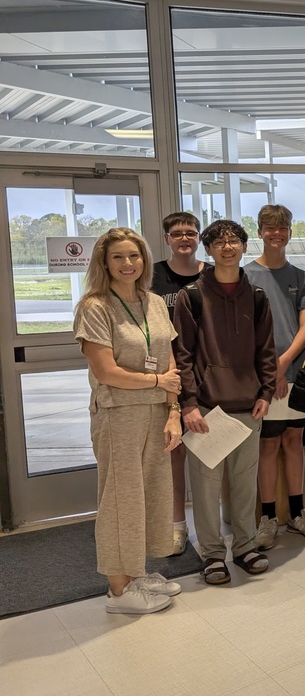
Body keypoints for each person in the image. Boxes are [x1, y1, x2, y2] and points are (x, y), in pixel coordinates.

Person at [74, 228, 184, 614]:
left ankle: (137, 573)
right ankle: (118, 590)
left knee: (152, 494)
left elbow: (170, 360)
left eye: (134, 256)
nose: (127, 264)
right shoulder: (95, 306)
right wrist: (158, 381)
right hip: (118, 414)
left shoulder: (153, 302)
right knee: (121, 499)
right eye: (118, 257)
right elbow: (107, 371)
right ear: (104, 262)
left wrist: (173, 411)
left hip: (156, 411)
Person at [173, 219, 276, 585]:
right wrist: (188, 403)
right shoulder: (192, 296)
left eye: (234, 241)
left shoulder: (258, 296)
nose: (227, 247)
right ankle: (213, 554)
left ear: (245, 247)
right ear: (209, 250)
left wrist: (265, 392)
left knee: (246, 484)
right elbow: (181, 353)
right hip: (206, 409)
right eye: (219, 242)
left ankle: (246, 547)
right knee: (205, 486)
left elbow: (266, 350)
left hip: (249, 406)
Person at [244, 204, 305, 550]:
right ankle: (266, 519)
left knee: (294, 442)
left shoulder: (301, 278)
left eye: (283, 228)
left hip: (295, 374)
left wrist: (285, 363)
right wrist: (270, 371)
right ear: (259, 232)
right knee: (268, 444)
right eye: (270, 228)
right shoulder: (246, 276)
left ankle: (296, 513)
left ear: (290, 233)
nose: (277, 234)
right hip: (261, 377)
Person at [150, 211, 207, 556]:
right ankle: (176, 525)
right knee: (174, 453)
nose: (184, 238)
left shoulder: (213, 275)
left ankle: (210, 526)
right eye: (177, 233)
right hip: (165, 374)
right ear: (167, 239)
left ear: (199, 237)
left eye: (191, 232)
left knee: (207, 451)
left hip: (204, 374)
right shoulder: (152, 276)